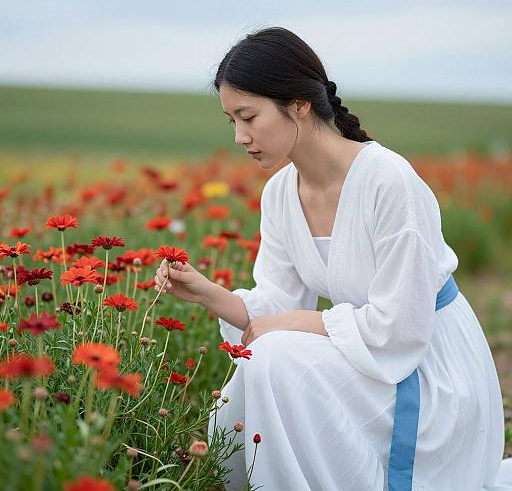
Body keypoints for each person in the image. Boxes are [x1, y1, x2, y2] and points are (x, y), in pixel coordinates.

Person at [154, 27, 512, 490]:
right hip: (371, 353)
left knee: (275, 356)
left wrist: (290, 326)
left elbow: (399, 328)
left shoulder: (388, 181)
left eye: (249, 116)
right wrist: (209, 294)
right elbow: (275, 308)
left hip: (428, 367)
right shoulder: (281, 193)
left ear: (298, 104)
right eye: (232, 122)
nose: (241, 137)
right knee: (265, 356)